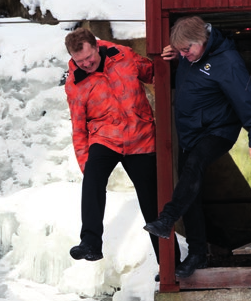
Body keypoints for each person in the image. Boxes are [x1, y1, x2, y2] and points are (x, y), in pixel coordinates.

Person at [143, 16, 251, 278]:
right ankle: (197, 254)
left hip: (218, 132)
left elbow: (247, 100)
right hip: (191, 133)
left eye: (186, 50)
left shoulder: (227, 61)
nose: (184, 54)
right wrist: (172, 61)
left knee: (194, 166)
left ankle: (167, 219)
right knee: (189, 189)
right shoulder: (191, 57)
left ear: (201, 40)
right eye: (180, 50)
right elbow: (186, 82)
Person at [63, 27, 179, 280]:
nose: (86, 64)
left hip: (141, 137)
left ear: (96, 47)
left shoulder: (123, 55)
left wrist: (171, 63)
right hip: (104, 138)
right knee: (92, 180)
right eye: (79, 61)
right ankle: (91, 243)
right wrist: (87, 167)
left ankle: (171, 264)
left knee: (152, 204)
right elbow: (78, 127)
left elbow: (153, 73)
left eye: (89, 57)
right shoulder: (75, 84)